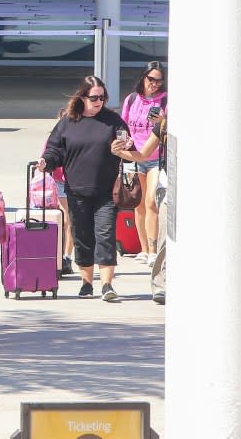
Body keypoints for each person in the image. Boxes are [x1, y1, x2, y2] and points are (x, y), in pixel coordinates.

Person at [37, 76, 129, 302]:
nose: (99, 101)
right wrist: (46, 162)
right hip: (76, 191)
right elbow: (54, 150)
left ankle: (107, 284)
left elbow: (129, 143)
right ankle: (87, 283)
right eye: (94, 97)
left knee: (105, 235)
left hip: (106, 191)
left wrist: (126, 145)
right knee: (82, 237)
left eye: (102, 97)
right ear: (83, 97)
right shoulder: (68, 122)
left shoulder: (113, 120)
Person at [112, 108, 169, 304]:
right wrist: (120, 152)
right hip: (169, 185)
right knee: (165, 238)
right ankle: (160, 285)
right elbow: (144, 154)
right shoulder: (164, 125)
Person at [120, 61, 168, 266]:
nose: (154, 84)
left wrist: (161, 121)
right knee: (137, 204)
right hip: (134, 156)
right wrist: (124, 142)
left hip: (155, 157)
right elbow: (123, 125)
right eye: (151, 79)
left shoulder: (165, 100)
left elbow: (168, 128)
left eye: (159, 80)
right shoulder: (132, 99)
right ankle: (144, 249)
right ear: (143, 77)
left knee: (151, 202)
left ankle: (153, 248)